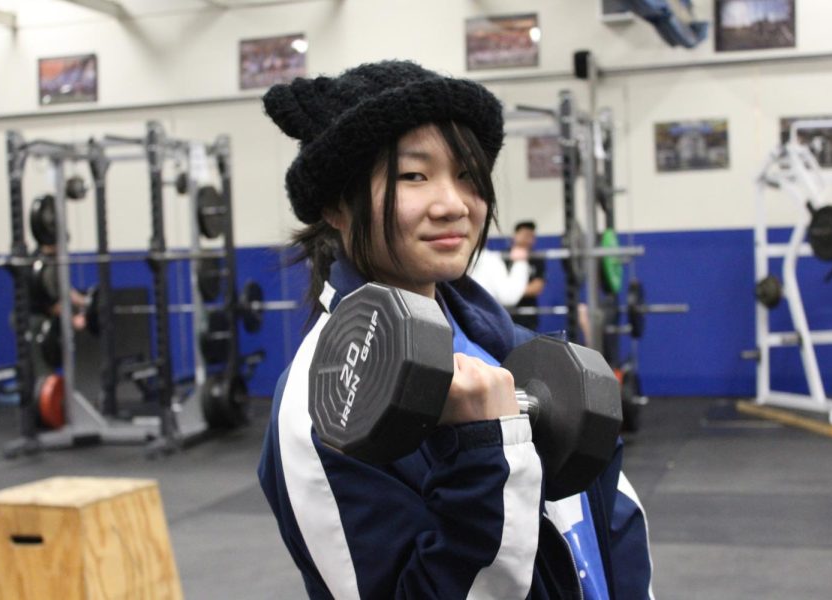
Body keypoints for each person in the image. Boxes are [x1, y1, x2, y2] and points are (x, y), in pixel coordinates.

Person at [257, 60, 652, 599]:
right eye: (413, 176)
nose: (453, 205)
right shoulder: (320, 407)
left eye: (467, 175)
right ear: (335, 207)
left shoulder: (513, 348)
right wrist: (481, 454)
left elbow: (611, 523)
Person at [507, 221, 546, 330]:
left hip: (528, 317)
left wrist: (510, 292)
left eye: (531, 236)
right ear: (515, 235)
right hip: (506, 316)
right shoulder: (503, 258)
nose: (528, 239)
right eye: (525, 235)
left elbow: (537, 287)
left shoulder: (537, 259)